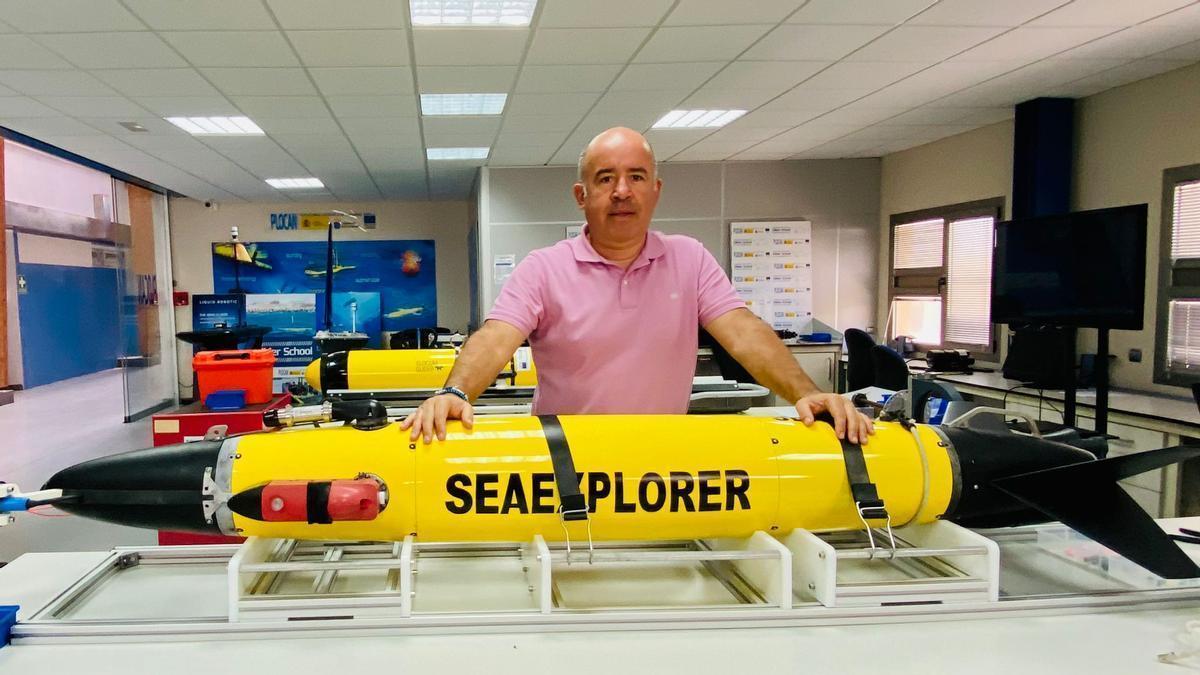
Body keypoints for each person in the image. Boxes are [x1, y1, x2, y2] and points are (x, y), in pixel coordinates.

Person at [401, 127, 873, 445]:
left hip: (660, 461)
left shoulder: (690, 258)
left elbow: (743, 331)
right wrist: (457, 394)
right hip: (564, 459)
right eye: (606, 179)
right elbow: (495, 337)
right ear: (581, 196)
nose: (622, 190)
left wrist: (804, 393)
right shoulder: (543, 268)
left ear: (655, 190)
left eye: (636, 177)